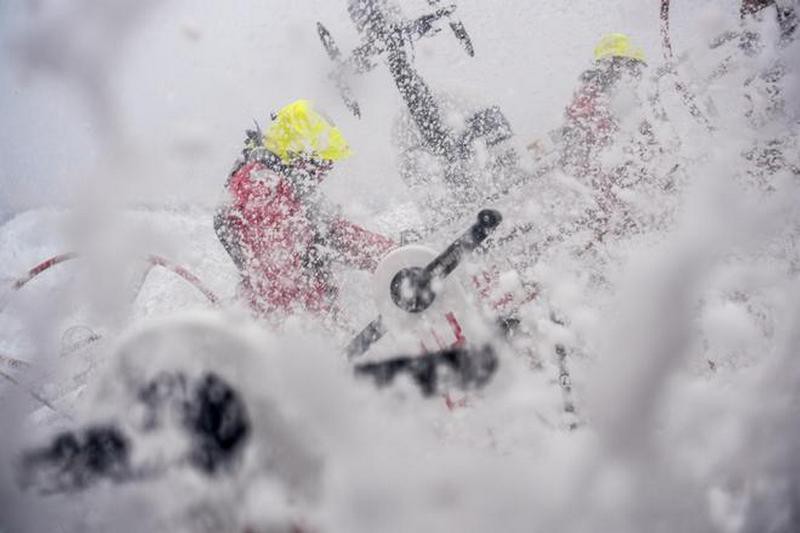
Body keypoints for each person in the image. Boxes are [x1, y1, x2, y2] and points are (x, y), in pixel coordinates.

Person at [214, 99, 395, 324]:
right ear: (299, 154)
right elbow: (282, 280)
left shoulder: (287, 186)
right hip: (278, 332)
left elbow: (335, 233)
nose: (324, 172)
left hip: (294, 321)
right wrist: (333, 329)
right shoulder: (260, 191)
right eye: (320, 163)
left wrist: (391, 254)